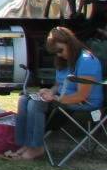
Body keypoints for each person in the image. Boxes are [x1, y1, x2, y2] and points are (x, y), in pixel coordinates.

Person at [7, 26, 104, 160]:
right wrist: (50, 91)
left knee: (35, 104)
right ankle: (25, 145)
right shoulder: (64, 60)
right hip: (64, 99)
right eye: (55, 52)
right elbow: (59, 84)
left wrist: (56, 98)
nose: (59, 54)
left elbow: (82, 96)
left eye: (60, 50)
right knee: (24, 99)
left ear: (69, 43)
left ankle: (36, 148)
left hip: (85, 104)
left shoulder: (87, 61)